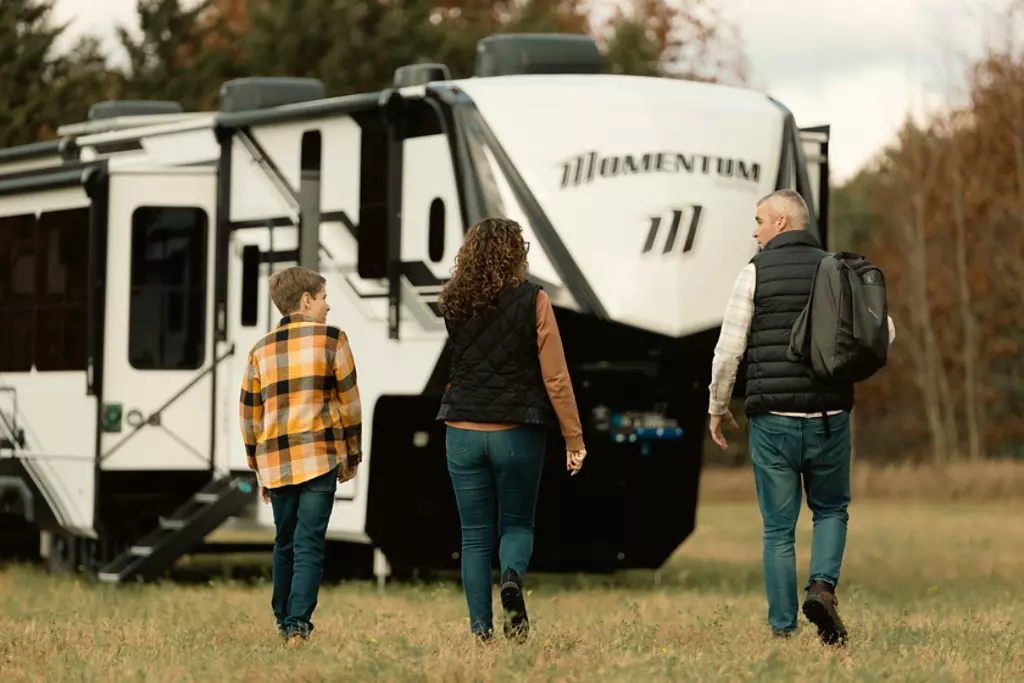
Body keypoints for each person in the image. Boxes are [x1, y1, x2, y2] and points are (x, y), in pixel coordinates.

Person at [707, 189, 895, 646]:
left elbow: (730, 348)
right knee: (830, 510)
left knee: (778, 528)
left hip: (773, 421)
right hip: (829, 416)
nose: (754, 230)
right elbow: (883, 331)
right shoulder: (837, 267)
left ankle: (783, 631)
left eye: (759, 221)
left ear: (782, 224)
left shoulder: (753, 273)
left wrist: (716, 406)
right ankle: (822, 588)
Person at [436, 217, 587, 643]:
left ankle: (481, 634)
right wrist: (573, 438)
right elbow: (555, 376)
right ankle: (512, 580)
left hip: (461, 428)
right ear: (515, 252)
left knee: (474, 536)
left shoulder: (453, 300)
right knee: (517, 524)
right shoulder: (533, 299)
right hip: (517, 429)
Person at [239, 266, 362, 646]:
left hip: (276, 462)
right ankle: (297, 626)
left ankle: (282, 621)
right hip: (320, 458)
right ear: (307, 300)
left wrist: (256, 465)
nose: (328, 305)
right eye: (324, 297)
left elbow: (249, 414)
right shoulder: (333, 339)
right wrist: (351, 455)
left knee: (285, 542)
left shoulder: (260, 349)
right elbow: (350, 406)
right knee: (310, 543)